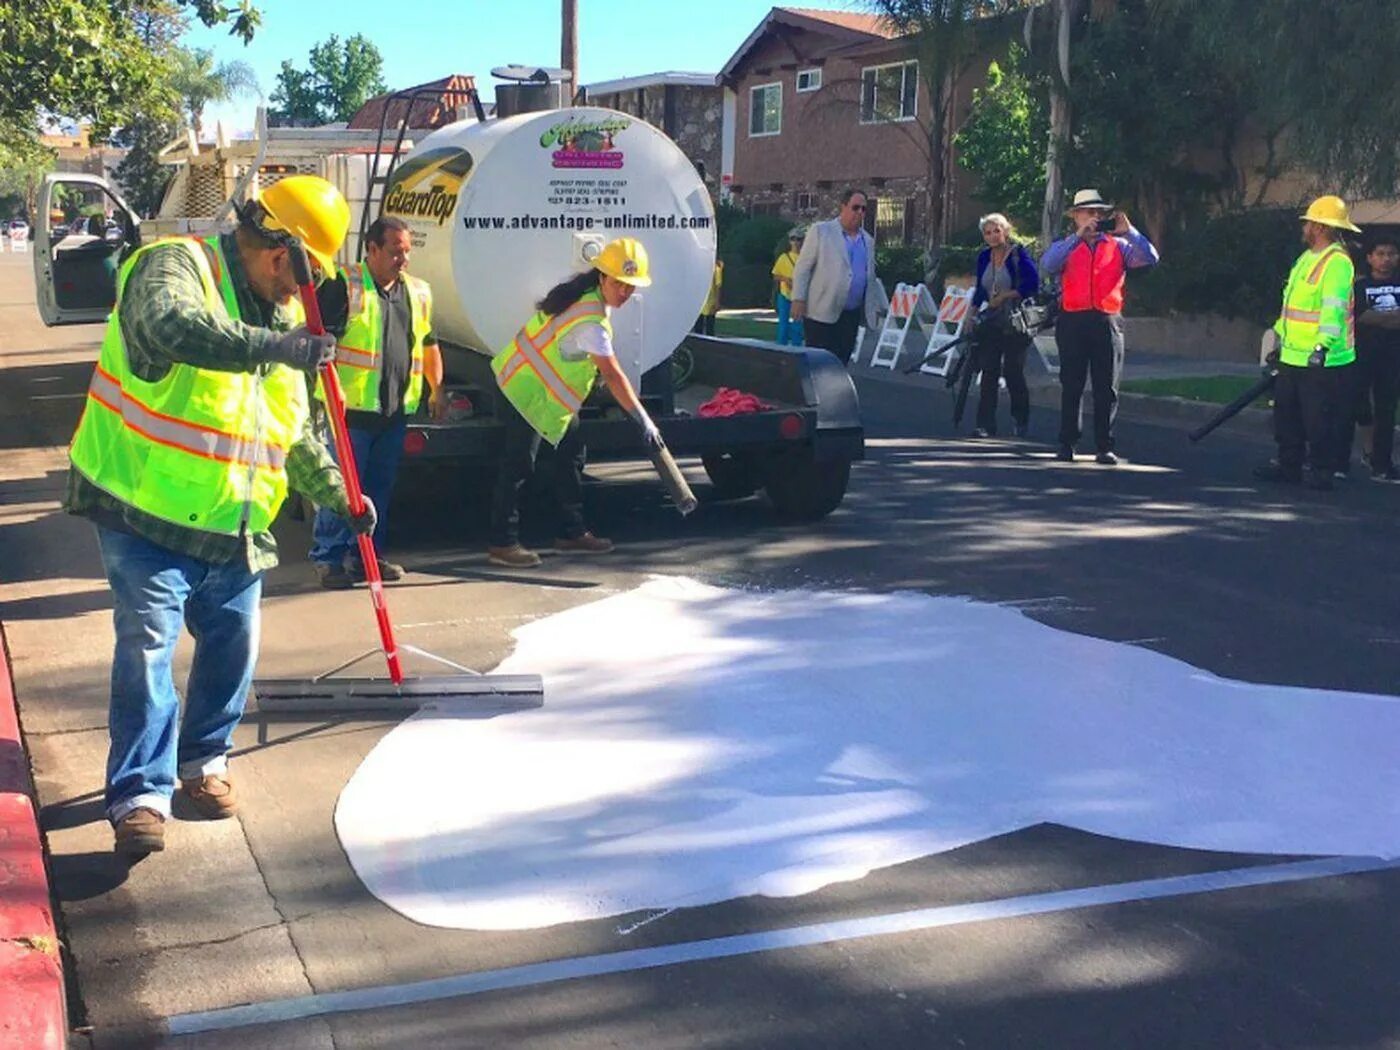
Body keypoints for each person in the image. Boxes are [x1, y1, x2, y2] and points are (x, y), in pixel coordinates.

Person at [63, 175, 372, 855]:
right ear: (277, 251)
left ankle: (202, 762)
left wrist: (338, 497)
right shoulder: (175, 267)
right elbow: (166, 326)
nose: (305, 290)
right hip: (143, 510)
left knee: (233, 647)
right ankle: (140, 796)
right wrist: (269, 349)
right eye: (307, 271)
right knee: (148, 648)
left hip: (233, 526)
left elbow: (289, 434)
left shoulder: (285, 325)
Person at [487, 237, 666, 568]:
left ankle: (571, 533)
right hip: (523, 392)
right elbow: (613, 375)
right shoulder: (590, 319)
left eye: (631, 286)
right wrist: (643, 419)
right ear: (602, 277)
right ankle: (503, 542)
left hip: (545, 397)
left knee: (570, 455)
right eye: (619, 284)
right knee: (519, 465)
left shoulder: (586, 299)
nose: (625, 292)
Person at [310, 216, 446, 589]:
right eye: (394, 251)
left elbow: (428, 343)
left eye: (405, 252)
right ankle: (329, 558)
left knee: (379, 488)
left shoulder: (417, 292)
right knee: (340, 487)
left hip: (393, 412)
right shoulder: (344, 287)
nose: (402, 259)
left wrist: (437, 389)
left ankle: (367, 556)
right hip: (349, 412)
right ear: (371, 249)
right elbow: (322, 346)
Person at [1040, 189, 1159, 464]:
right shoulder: (1067, 245)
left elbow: (1150, 258)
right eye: (1088, 212)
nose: (1094, 217)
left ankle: (1104, 445)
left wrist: (1130, 232)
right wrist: (1077, 238)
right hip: (1073, 320)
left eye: (1098, 213)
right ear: (1076, 217)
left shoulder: (1118, 245)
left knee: (1107, 386)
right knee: (1072, 384)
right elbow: (1048, 264)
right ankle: (1067, 442)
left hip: (1107, 319)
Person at [1254, 195, 1360, 491]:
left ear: (1319, 226)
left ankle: (1322, 470)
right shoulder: (1306, 258)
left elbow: (1333, 308)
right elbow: (1292, 305)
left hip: (1322, 358)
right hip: (1293, 355)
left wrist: (1322, 346)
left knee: (1319, 420)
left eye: (1308, 222)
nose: (1304, 227)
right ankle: (1290, 465)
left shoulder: (1337, 262)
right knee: (1287, 415)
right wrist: (1278, 336)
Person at [790, 189, 880, 365]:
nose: (859, 213)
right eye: (855, 208)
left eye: (863, 209)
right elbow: (803, 268)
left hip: (851, 313)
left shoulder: (867, 241)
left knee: (842, 359)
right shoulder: (821, 232)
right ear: (843, 207)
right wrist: (798, 298)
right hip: (821, 311)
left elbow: (870, 276)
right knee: (818, 362)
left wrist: (872, 306)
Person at [970, 213, 1039, 438]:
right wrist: (971, 314)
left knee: (1012, 371)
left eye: (996, 231)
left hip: (1016, 321)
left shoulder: (1018, 255)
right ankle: (985, 424)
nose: (992, 236)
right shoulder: (983, 257)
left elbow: (1032, 285)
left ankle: (1021, 418)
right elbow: (981, 290)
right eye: (988, 232)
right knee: (988, 371)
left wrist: (1006, 295)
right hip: (991, 321)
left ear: (1006, 231)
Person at [1348, 235, 1400, 482]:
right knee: (1356, 403)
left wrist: (1377, 316)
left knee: (1387, 410)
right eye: (1380, 254)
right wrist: (1389, 317)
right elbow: (1360, 317)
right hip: (1362, 354)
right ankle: (1356, 456)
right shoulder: (1360, 287)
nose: (1386, 259)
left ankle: (1382, 463)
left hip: (1392, 357)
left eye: (1391, 253)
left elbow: (1373, 317)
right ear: (1369, 258)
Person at [771, 228, 806, 346]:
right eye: (793, 239)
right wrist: (786, 279)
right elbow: (775, 275)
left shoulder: (806, 258)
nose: (795, 242)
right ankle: (781, 349)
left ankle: (796, 351)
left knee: (797, 326)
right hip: (785, 295)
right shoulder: (784, 257)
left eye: (798, 239)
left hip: (799, 297)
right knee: (783, 326)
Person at [694, 259, 723, 335]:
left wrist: (717, 301)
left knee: (709, 327)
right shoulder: (699, 267)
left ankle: (709, 344)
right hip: (700, 301)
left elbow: (718, 286)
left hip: (710, 301)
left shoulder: (716, 268)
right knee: (698, 327)